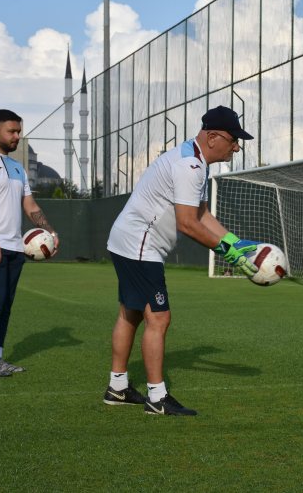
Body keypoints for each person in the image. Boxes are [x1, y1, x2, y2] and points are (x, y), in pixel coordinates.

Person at [103, 106, 259, 416]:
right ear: (212, 137)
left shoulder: (195, 159)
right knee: (159, 319)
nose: (237, 146)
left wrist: (234, 242)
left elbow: (201, 214)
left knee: (130, 314)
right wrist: (229, 253)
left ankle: (117, 388)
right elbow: (187, 224)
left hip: (128, 241)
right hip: (140, 246)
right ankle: (157, 399)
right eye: (234, 139)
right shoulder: (190, 165)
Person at [0, 109, 60, 377]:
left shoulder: (18, 168)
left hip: (15, 246)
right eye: (12, 131)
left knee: (5, 301)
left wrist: (50, 232)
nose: (17, 136)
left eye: (18, 131)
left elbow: (29, 205)